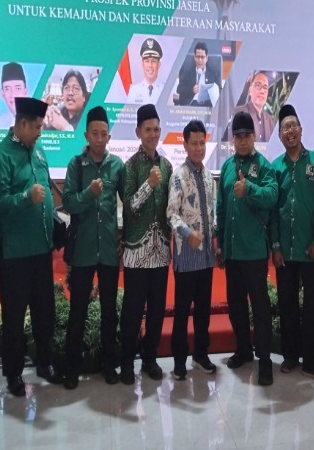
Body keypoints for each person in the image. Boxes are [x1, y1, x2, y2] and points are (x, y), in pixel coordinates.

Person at [0, 96, 63, 397]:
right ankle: (13, 373)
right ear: (21, 124)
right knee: (14, 316)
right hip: (15, 252)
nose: (40, 133)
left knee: (44, 311)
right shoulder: (1, 156)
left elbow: (47, 192)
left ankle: (45, 362)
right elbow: (0, 203)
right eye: (36, 127)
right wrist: (24, 198)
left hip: (41, 249)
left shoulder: (38, 151)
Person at [61, 106, 125, 390]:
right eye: (94, 134)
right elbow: (68, 203)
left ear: (109, 136)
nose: (99, 139)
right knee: (78, 311)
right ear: (86, 135)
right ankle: (72, 368)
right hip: (83, 251)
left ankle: (109, 365)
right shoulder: (76, 165)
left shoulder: (117, 166)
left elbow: (129, 202)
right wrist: (89, 193)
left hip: (109, 250)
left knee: (110, 311)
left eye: (104, 134)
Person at [270, 105, 314, 382]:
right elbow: (273, 210)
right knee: (287, 304)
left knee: (313, 307)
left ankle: (312, 361)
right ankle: (290, 356)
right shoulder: (275, 167)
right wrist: (275, 246)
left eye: (293, 126)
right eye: (285, 128)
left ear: (301, 130)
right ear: (280, 136)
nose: (290, 131)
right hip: (286, 251)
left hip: (311, 250)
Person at [216, 111, 278, 385]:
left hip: (254, 252)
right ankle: (243, 350)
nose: (242, 141)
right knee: (236, 307)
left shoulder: (264, 166)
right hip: (232, 252)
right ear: (233, 139)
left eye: (247, 136)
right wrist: (220, 241)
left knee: (260, 309)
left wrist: (249, 189)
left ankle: (264, 361)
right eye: (238, 136)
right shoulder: (227, 167)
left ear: (254, 137)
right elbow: (221, 206)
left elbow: (272, 196)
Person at [118, 104, 173, 385]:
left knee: (156, 310)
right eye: (148, 129)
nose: (153, 134)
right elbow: (129, 208)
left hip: (161, 250)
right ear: (138, 131)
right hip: (137, 251)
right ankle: (127, 361)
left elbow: (171, 208)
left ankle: (150, 358)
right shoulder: (129, 167)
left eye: (156, 129)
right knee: (132, 309)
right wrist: (149, 184)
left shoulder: (167, 166)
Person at [166, 119, 217, 380]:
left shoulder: (209, 177)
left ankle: (200, 355)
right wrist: (188, 234)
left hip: (206, 258)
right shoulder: (178, 175)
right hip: (186, 257)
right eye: (194, 143)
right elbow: (171, 214)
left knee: (203, 312)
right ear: (185, 145)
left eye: (202, 143)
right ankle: (179, 361)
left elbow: (211, 213)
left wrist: (215, 240)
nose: (199, 148)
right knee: (182, 312)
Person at [230, 71, 275, 142]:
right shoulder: (238, 113)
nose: (262, 91)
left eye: (265, 87)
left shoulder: (270, 121)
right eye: (258, 85)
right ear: (250, 90)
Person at [176, 42, 222, 106]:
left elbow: (220, 91)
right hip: (192, 105)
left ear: (206, 58)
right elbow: (179, 89)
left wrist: (211, 92)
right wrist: (192, 90)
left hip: (207, 105)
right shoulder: (188, 73)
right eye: (198, 57)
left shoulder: (213, 74)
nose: (200, 60)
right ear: (194, 57)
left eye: (202, 57)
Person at [128, 38, 165, 104]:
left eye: (153, 61)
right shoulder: (133, 91)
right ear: (142, 64)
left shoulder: (166, 90)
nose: (150, 65)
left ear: (159, 64)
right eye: (147, 61)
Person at [0, 62, 28, 129]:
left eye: (18, 88)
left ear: (25, 91)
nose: (13, 94)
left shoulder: (37, 119)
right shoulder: (2, 122)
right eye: (7, 89)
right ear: (2, 93)